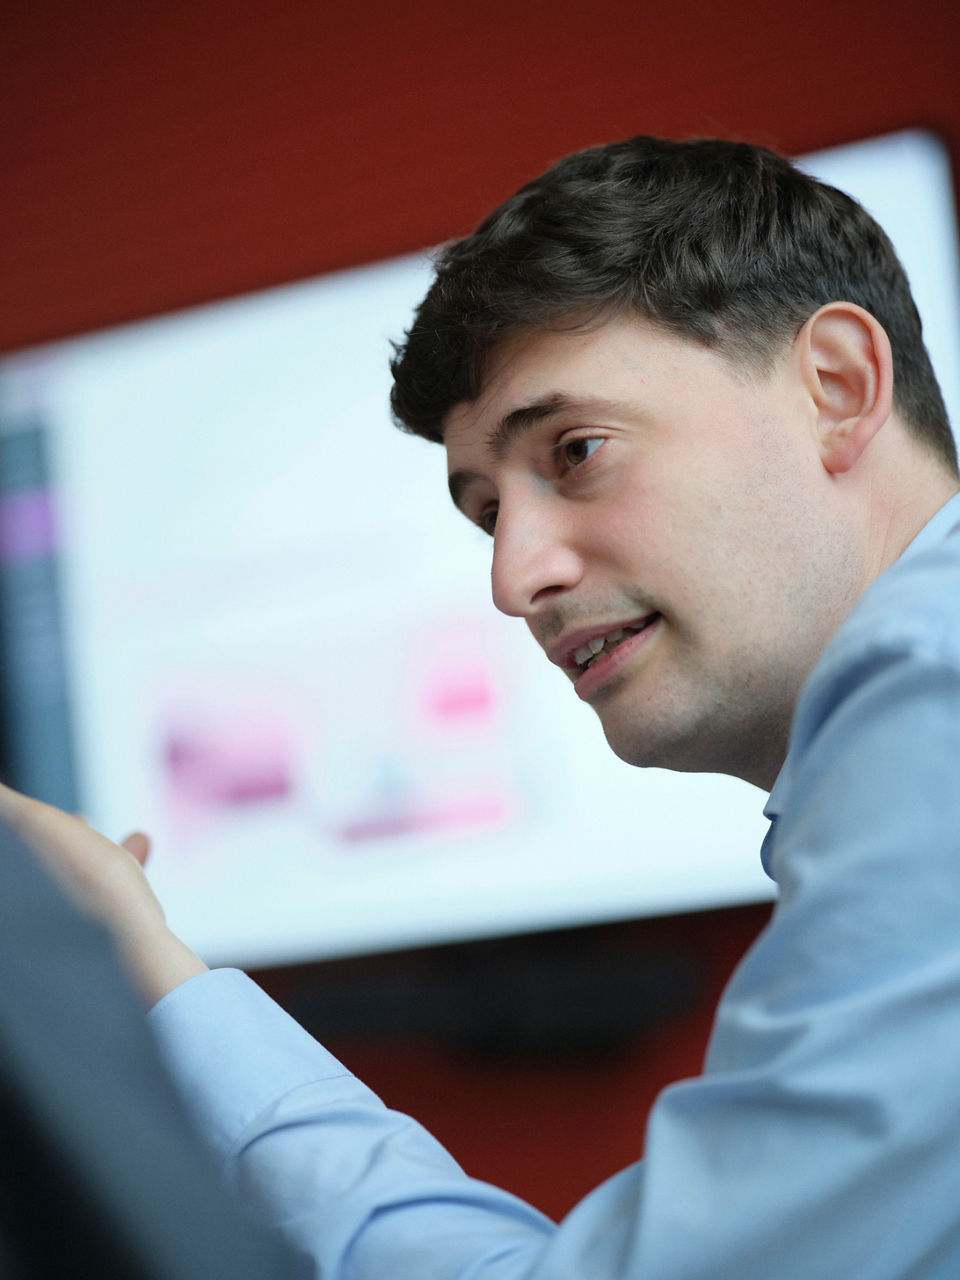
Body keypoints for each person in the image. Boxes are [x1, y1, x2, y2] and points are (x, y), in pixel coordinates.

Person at [2, 134, 960, 1278]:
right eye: (487, 513)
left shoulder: (933, 689)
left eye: (578, 450)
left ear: (838, 386)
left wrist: (136, 971)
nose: (514, 580)